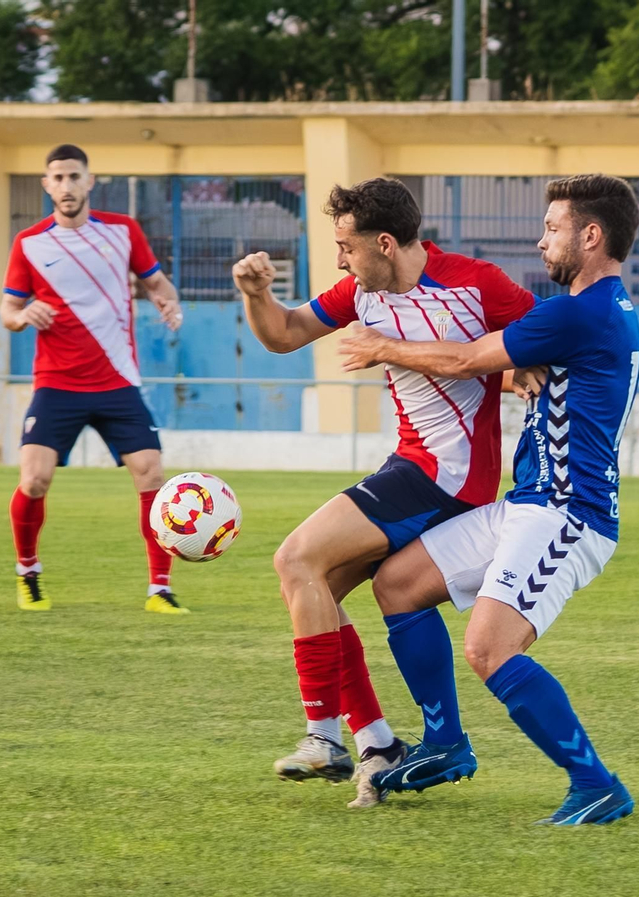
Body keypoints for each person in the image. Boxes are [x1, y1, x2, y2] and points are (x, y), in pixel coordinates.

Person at [335, 173, 639, 825]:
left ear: (591, 236)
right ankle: (446, 742)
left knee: (489, 647)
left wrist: (383, 348)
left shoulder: (579, 312)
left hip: (570, 513)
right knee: (397, 582)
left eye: (553, 228)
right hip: (527, 502)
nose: (541, 241)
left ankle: (596, 784)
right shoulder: (594, 310)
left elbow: (468, 359)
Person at [232, 177, 535, 807]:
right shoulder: (359, 293)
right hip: (411, 466)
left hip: (447, 476)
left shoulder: (478, 285)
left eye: (346, 246)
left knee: (295, 559)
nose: (340, 259)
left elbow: (545, 341)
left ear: (386, 243)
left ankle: (325, 736)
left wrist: (522, 367)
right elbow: (284, 334)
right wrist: (256, 295)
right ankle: (376, 744)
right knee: (315, 592)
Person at [1, 144, 187, 614]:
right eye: (57, 178)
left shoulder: (123, 232)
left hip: (118, 381)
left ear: (89, 181)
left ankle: (159, 591)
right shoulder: (29, 243)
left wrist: (168, 301)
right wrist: (23, 315)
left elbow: (156, 283)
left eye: (73, 177)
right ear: (47, 185)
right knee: (35, 479)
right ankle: (28, 573)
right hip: (56, 383)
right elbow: (6, 311)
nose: (66, 186)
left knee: (151, 475)